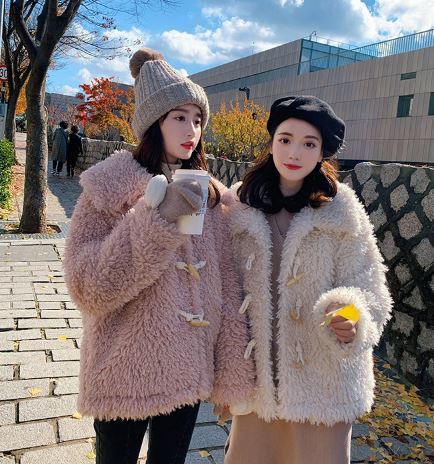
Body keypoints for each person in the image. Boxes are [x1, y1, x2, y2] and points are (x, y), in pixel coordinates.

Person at [63, 48, 254, 464]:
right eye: (179, 117)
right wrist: (155, 220)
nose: (192, 130)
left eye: (198, 119)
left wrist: (233, 376)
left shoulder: (210, 194)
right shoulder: (108, 188)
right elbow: (88, 289)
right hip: (122, 371)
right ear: (154, 123)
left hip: (188, 371)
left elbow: (226, 286)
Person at [222, 96, 393, 464]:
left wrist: (350, 315)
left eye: (309, 144)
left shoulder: (342, 210)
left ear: (322, 153)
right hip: (257, 378)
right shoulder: (239, 205)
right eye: (285, 139)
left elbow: (370, 287)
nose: (294, 152)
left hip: (323, 380)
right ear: (271, 142)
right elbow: (222, 286)